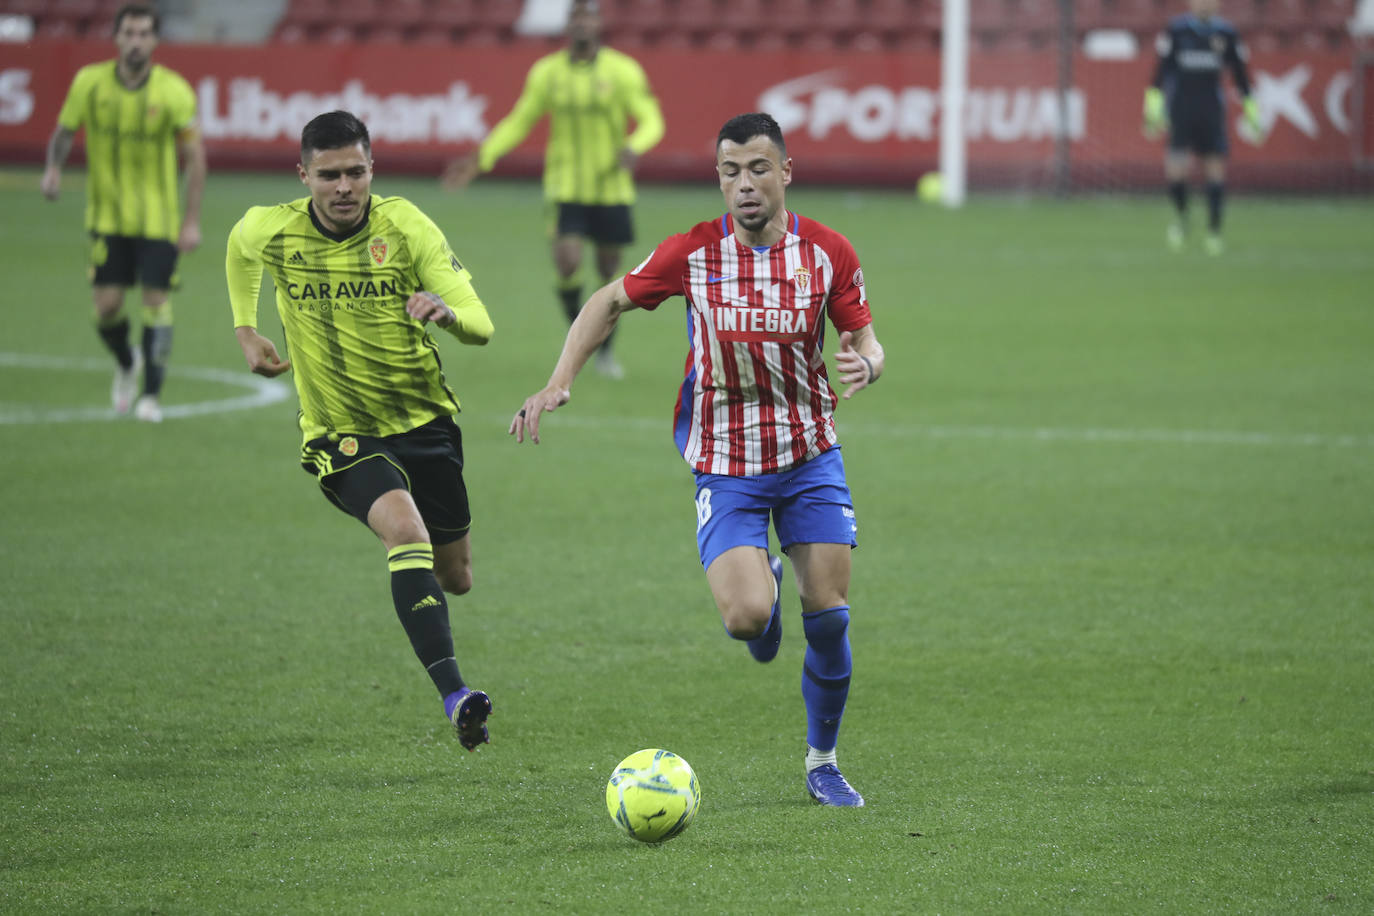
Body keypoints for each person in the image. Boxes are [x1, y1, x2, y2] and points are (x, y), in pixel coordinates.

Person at [511, 112, 886, 807]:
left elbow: (867, 339)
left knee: (829, 616)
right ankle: (763, 592)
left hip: (809, 456)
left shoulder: (827, 252)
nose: (744, 185)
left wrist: (867, 365)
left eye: (758, 169)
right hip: (726, 461)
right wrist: (560, 379)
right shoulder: (693, 252)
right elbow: (607, 299)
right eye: (730, 172)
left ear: (786, 173)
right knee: (746, 619)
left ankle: (823, 761)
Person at [225, 110, 496, 751]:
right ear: (304, 175)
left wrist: (447, 313)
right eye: (329, 175)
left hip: (425, 423)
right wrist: (245, 327)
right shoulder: (273, 227)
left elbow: (482, 324)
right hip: (337, 431)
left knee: (455, 574)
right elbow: (240, 249)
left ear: (372, 170)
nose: (344, 187)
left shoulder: (406, 227)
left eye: (356, 172)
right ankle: (457, 695)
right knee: (405, 534)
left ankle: (442, 633)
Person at [442, 0, 663, 380]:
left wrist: (635, 146)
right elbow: (520, 120)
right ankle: (577, 332)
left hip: (611, 189)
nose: (581, 23)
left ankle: (605, 350)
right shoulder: (547, 73)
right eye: (574, 16)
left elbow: (652, 119)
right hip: (564, 187)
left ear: (597, 23)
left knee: (610, 274)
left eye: (587, 16)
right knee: (568, 262)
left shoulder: (622, 71)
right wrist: (483, 158)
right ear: (568, 23)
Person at [41, 2, 206, 422]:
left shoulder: (174, 91)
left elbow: (195, 157)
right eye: (128, 33)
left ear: (154, 39)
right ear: (116, 37)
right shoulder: (90, 83)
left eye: (143, 33)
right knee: (107, 307)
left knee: (155, 302)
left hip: (159, 221)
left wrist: (190, 221)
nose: (135, 41)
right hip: (106, 218)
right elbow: (64, 131)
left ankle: (151, 396)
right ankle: (126, 360)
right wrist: (54, 170)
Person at [1143, 0, 1262, 256]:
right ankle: (1182, 218)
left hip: (1211, 111)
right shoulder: (1177, 30)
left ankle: (1214, 232)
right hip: (1181, 110)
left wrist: (1251, 111)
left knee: (1215, 172)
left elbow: (1240, 74)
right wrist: (1153, 108)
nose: (1204, 5)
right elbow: (1161, 72)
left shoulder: (1227, 34)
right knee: (1176, 172)